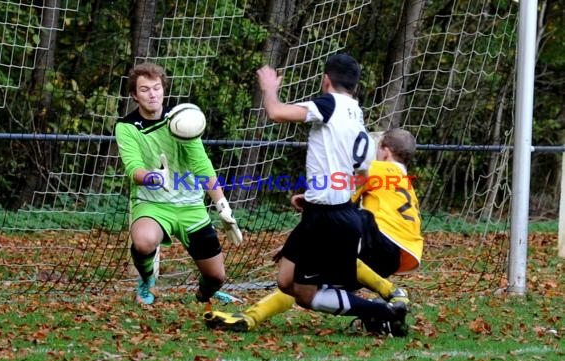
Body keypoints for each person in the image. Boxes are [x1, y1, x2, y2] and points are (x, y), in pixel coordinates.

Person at [206, 53, 407, 330]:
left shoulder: (329, 105)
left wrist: (269, 89)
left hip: (329, 218)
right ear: (356, 86)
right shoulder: (357, 115)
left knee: (304, 293)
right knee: (286, 281)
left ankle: (382, 312)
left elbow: (276, 112)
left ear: (326, 80)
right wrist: (318, 195)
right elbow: (361, 172)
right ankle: (382, 309)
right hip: (329, 211)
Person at [205, 129, 423, 336]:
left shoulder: (377, 167)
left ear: (385, 151)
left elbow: (336, 199)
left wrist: (307, 201)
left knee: (334, 223)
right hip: (395, 257)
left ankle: (393, 292)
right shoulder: (405, 183)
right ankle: (250, 318)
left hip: (378, 238)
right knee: (303, 283)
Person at [115, 62, 242, 305]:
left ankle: (206, 294)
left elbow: (201, 164)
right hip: (151, 205)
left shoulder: (183, 121)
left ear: (164, 90)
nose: (152, 94)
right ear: (134, 95)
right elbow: (133, 168)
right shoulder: (127, 127)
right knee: (143, 241)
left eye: (156, 88)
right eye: (144, 90)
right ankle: (146, 280)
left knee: (216, 276)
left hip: (190, 206)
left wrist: (222, 204)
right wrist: (154, 178)